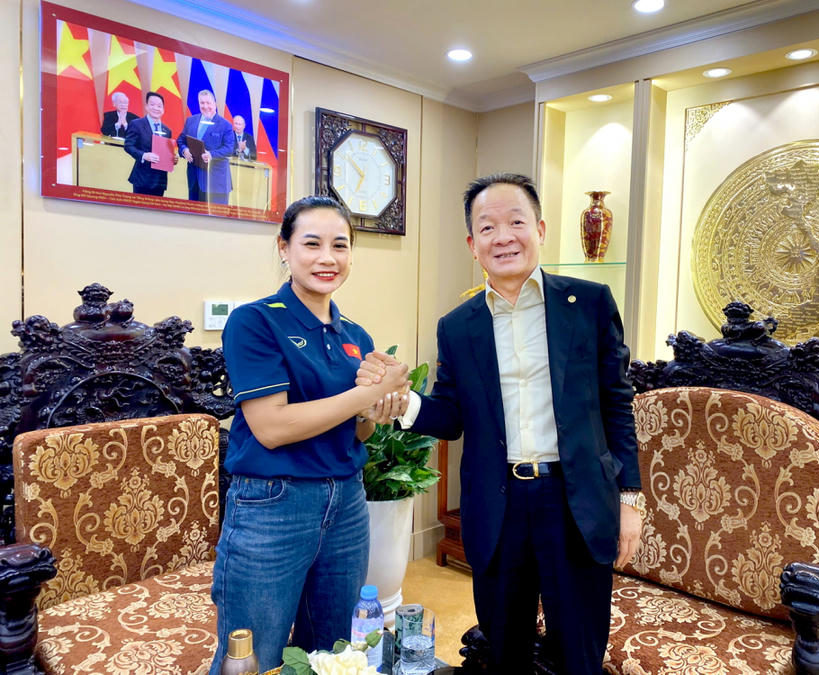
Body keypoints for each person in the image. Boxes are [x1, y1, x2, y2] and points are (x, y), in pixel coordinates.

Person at [360, 173, 643, 674]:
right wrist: (402, 404)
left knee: (579, 654)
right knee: (504, 650)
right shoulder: (457, 325)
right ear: (473, 245)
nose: (503, 237)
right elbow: (451, 415)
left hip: (574, 499)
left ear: (540, 229)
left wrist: (630, 500)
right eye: (487, 227)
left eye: (516, 222)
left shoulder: (590, 303)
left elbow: (617, 403)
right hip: (499, 504)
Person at [208, 195, 410, 674]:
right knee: (254, 655)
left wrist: (378, 409)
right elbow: (272, 428)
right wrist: (366, 394)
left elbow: (359, 431)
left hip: (347, 503)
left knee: (334, 651)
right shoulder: (256, 321)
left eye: (340, 245)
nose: (328, 258)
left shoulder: (356, 336)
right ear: (284, 248)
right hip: (273, 505)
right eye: (312, 243)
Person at [177, 89, 236, 204]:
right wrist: (184, 150)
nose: (205, 106)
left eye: (208, 103)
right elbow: (181, 140)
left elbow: (229, 149)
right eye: (202, 103)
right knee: (193, 214)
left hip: (216, 183)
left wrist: (211, 154)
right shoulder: (191, 121)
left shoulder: (226, 125)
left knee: (216, 215)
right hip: (194, 180)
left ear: (215, 104)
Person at [123, 91, 176, 197]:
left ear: (163, 109)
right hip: (142, 178)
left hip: (160, 181)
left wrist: (172, 159)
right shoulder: (136, 124)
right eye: (152, 105)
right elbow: (128, 146)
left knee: (157, 207)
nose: (156, 108)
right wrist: (144, 155)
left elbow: (165, 152)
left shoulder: (167, 130)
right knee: (139, 206)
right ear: (146, 106)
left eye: (159, 106)